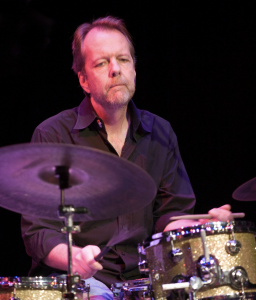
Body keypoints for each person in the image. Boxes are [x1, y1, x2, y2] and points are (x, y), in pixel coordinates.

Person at [21, 16, 231, 298]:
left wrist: (201, 227)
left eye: (123, 60)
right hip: (79, 280)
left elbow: (169, 216)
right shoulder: (52, 135)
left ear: (134, 68)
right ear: (83, 79)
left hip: (142, 278)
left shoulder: (160, 132)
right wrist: (75, 258)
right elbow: (38, 232)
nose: (116, 70)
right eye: (101, 63)